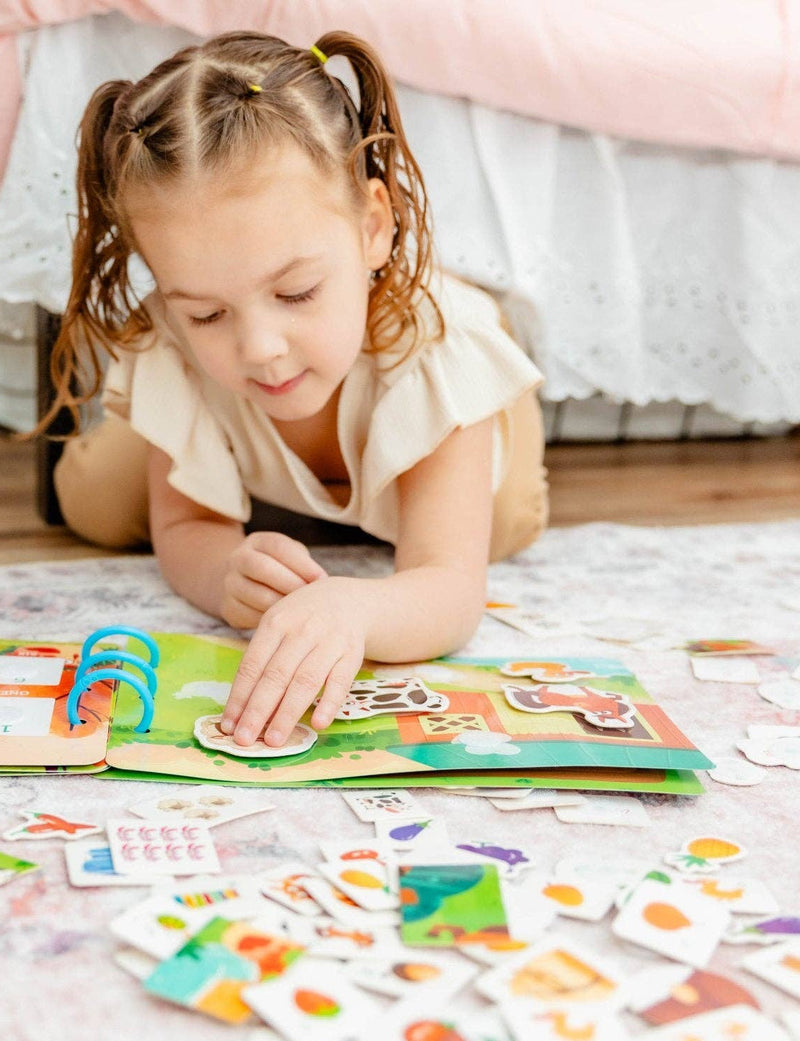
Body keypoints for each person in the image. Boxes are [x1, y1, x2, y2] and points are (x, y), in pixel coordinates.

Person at [46, 30, 547, 747]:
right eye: (207, 312)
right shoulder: (177, 343)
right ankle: (267, 478)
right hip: (237, 420)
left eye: (296, 292)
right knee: (97, 501)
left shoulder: (436, 351)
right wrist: (224, 573)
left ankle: (364, 472)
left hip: (424, 377)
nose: (259, 348)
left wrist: (356, 611)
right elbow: (186, 529)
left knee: (500, 523)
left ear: (373, 228)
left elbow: (448, 589)